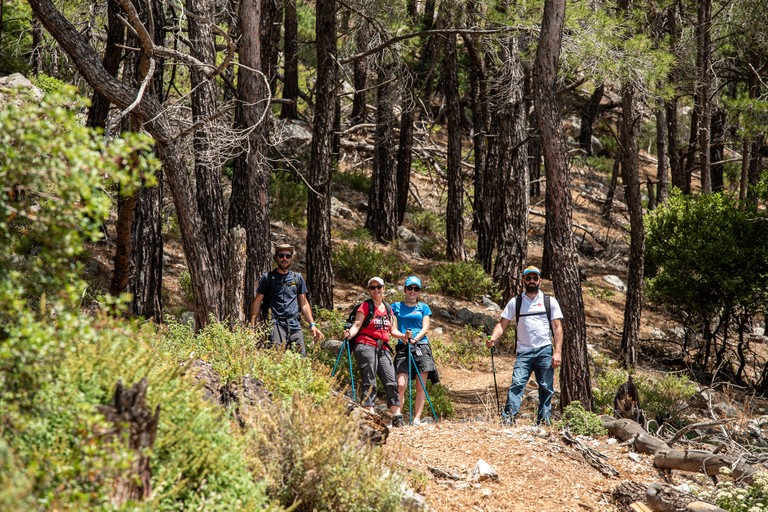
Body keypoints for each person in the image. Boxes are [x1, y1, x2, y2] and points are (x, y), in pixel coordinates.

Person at [486, 266, 563, 425]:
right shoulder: (516, 302)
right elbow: (502, 324)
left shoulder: (549, 301)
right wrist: (492, 338)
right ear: (523, 281)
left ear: (540, 280)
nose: (532, 281)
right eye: (528, 278)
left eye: (535, 278)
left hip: (545, 351)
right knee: (517, 385)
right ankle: (508, 420)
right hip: (524, 353)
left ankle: (543, 422)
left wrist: (557, 352)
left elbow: (557, 328)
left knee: (546, 388)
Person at [344, 277, 407, 427]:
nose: (376, 290)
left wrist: (403, 336)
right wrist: (350, 334)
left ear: (384, 288)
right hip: (365, 344)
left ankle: (397, 417)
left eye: (379, 286)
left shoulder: (388, 308)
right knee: (369, 379)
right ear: (369, 290)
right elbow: (357, 325)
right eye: (372, 288)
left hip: (383, 347)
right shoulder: (365, 306)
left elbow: (393, 330)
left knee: (391, 380)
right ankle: (368, 414)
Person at [250, 244, 324, 356]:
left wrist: (312, 325)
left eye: (288, 256)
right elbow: (257, 302)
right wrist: (253, 326)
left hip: (294, 325)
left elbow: (304, 303)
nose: (284, 258)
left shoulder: (297, 278)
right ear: (276, 258)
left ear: (292, 258)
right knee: (275, 358)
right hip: (275, 324)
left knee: (300, 359)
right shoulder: (268, 278)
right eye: (281, 256)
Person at [392, 276, 439, 426]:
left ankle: (417, 419)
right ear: (405, 289)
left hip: (421, 346)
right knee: (400, 384)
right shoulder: (395, 306)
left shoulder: (424, 307)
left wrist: (415, 339)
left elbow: (425, 328)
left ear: (419, 291)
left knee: (420, 386)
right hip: (403, 345)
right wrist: (403, 337)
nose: (412, 291)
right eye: (410, 288)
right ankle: (397, 418)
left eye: (416, 289)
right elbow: (392, 328)